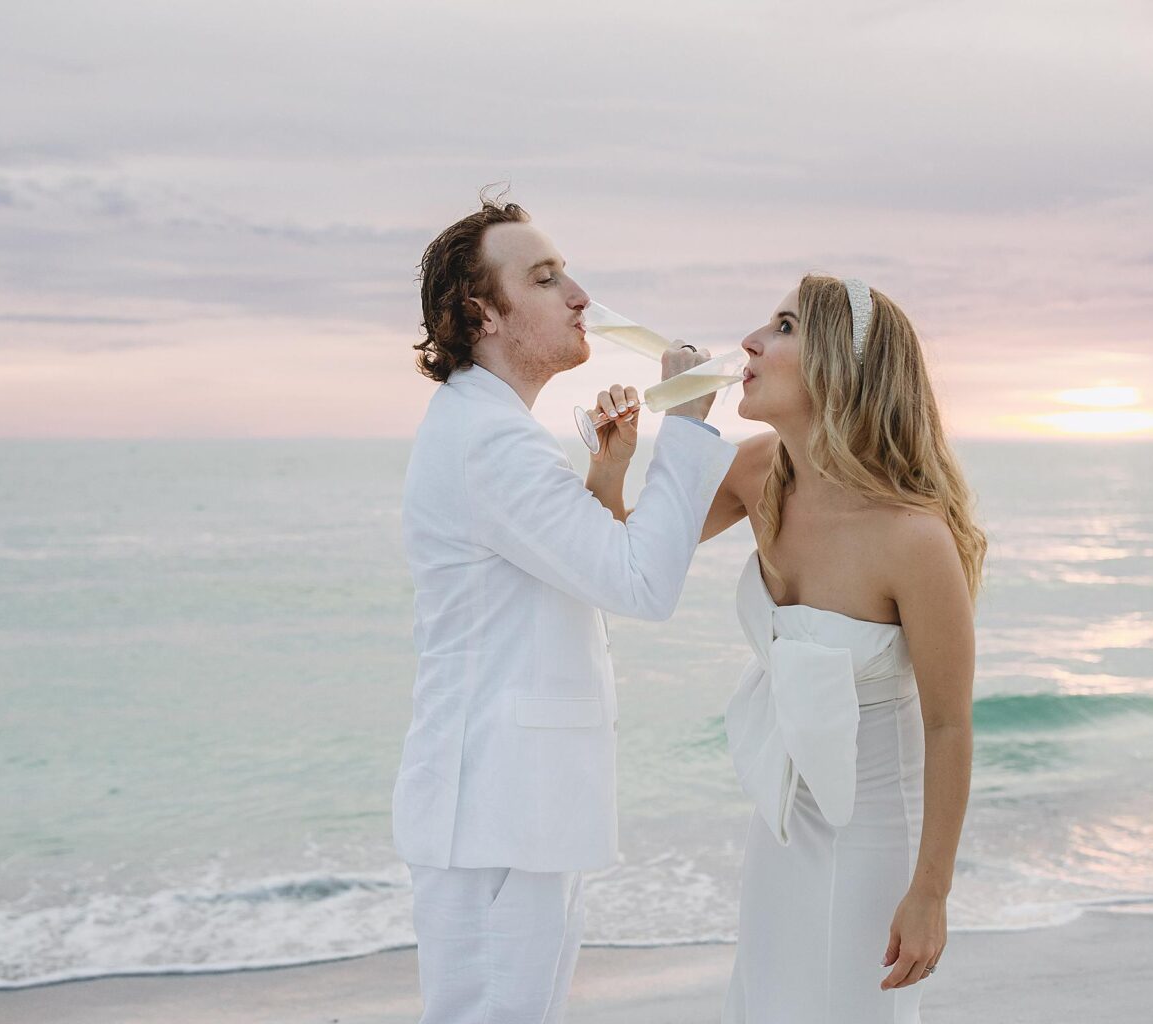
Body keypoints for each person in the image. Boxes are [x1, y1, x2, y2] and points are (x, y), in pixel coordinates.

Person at [394, 194, 736, 1024]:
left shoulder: (493, 430)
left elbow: (569, 577)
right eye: (546, 278)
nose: (579, 293)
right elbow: (640, 586)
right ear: (484, 314)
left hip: (513, 804)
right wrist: (686, 421)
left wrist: (607, 478)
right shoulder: (492, 442)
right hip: (496, 809)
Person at [706, 275, 984, 1022]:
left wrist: (930, 893)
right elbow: (626, 560)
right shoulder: (756, 472)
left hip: (869, 839)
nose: (751, 341)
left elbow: (948, 726)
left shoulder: (912, 539)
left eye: (785, 326)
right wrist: (625, 453)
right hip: (779, 817)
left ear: (839, 368)